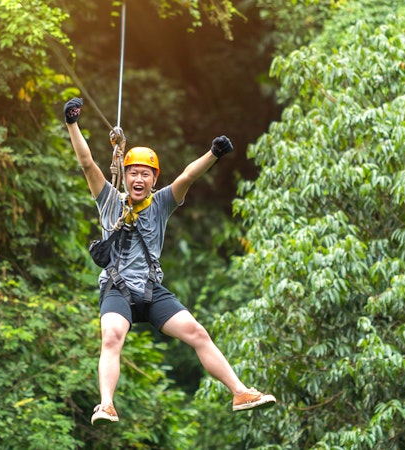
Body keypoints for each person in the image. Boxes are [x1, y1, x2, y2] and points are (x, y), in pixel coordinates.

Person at [63, 97, 276, 425]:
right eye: (133, 173)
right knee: (111, 336)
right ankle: (106, 405)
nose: (138, 179)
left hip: (150, 291)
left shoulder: (162, 202)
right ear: (124, 174)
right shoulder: (108, 199)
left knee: (197, 332)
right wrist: (72, 123)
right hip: (117, 289)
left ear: (154, 178)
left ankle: (240, 392)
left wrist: (213, 154)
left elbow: (187, 177)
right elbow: (87, 163)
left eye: (145, 174)